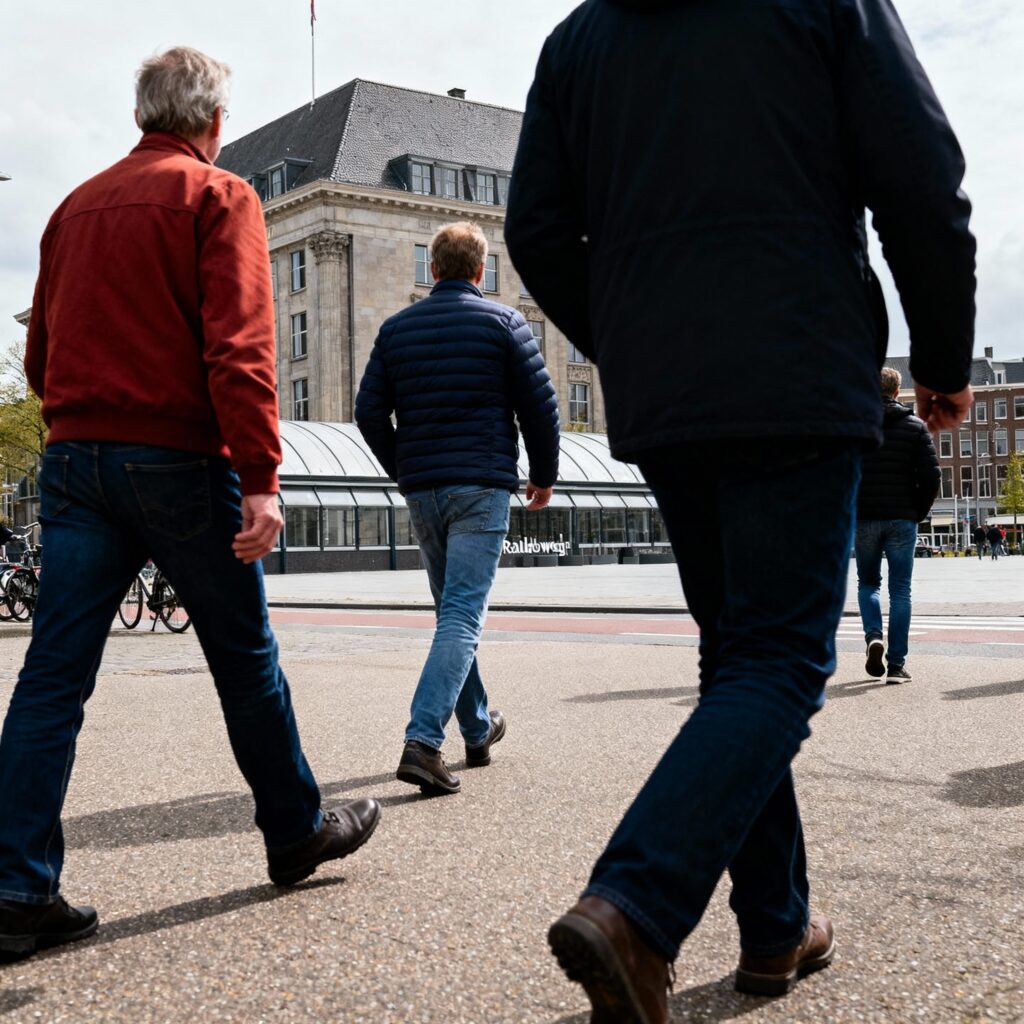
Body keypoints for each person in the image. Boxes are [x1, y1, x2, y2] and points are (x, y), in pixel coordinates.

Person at [505, 1, 975, 1020]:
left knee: (737, 660)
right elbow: (919, 172)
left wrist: (631, 333)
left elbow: (535, 228)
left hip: (670, 402)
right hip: (795, 364)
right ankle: (635, 903)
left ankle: (776, 924)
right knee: (777, 662)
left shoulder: (581, 37)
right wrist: (940, 355)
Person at [0, 47, 380, 962]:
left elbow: (42, 351)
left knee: (55, 676)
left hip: (76, 462)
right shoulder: (218, 197)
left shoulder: (72, 207)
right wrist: (261, 478)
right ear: (212, 123)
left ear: (145, 115)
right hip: (177, 458)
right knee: (244, 659)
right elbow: (241, 348)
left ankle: (15, 887)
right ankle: (293, 832)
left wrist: (77, 424)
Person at [356, 221, 559, 794]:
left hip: (425, 491)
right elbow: (540, 407)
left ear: (434, 269)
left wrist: (406, 469)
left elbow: (368, 413)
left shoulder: (396, 330)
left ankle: (476, 728)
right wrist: (543, 476)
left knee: (451, 612)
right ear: (479, 271)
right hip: (481, 487)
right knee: (464, 615)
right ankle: (423, 741)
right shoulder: (505, 323)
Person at [855, 368, 940, 685]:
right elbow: (932, 477)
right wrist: (917, 511)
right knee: (900, 590)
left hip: (864, 518)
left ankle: (873, 636)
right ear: (897, 391)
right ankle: (896, 665)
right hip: (902, 519)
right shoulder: (915, 427)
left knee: (868, 583)